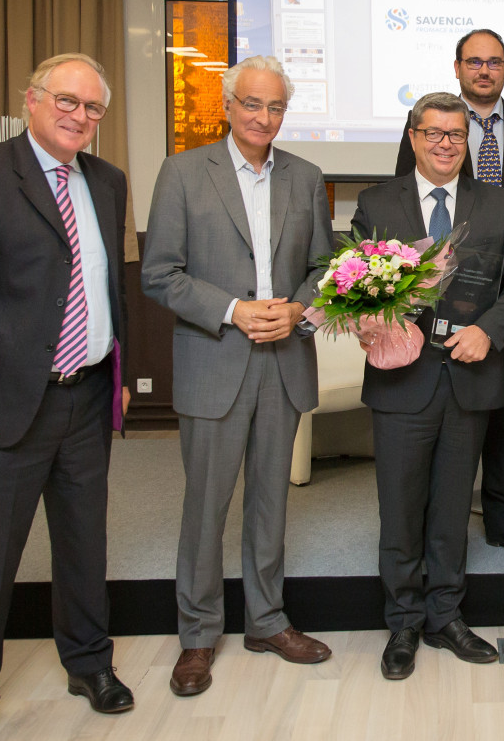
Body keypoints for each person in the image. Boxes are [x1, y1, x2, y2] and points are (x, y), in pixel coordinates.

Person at [0, 53, 133, 741]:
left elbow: (106, 286)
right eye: (66, 100)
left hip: (88, 394)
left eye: (93, 107)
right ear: (30, 100)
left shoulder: (107, 179)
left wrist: (119, 368)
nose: (79, 115)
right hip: (5, 401)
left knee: (83, 544)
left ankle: (88, 662)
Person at [143, 55, 333, 698]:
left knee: (270, 503)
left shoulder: (306, 177)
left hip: (283, 362)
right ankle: (197, 636)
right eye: (252, 104)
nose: (264, 117)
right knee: (205, 506)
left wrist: (300, 309)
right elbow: (159, 272)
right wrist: (233, 310)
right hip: (214, 360)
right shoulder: (183, 173)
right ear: (227, 106)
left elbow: (324, 268)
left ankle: (266, 621)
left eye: (276, 106)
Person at [354, 91, 504, 680]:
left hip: (470, 379)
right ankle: (404, 623)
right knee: (401, 509)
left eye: (456, 135)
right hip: (401, 382)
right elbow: (355, 280)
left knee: (449, 510)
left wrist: (490, 331)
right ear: (412, 137)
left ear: (469, 143)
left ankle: (446, 615)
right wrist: (369, 310)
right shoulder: (376, 203)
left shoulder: (499, 204)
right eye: (433, 133)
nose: (444, 143)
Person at [394, 28, 504, 560]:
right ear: (458, 67)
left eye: (494, 61)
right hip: (437, 304)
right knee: (441, 414)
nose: (484, 70)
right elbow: (406, 210)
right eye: (474, 61)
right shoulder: (428, 125)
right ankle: (434, 523)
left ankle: (501, 518)